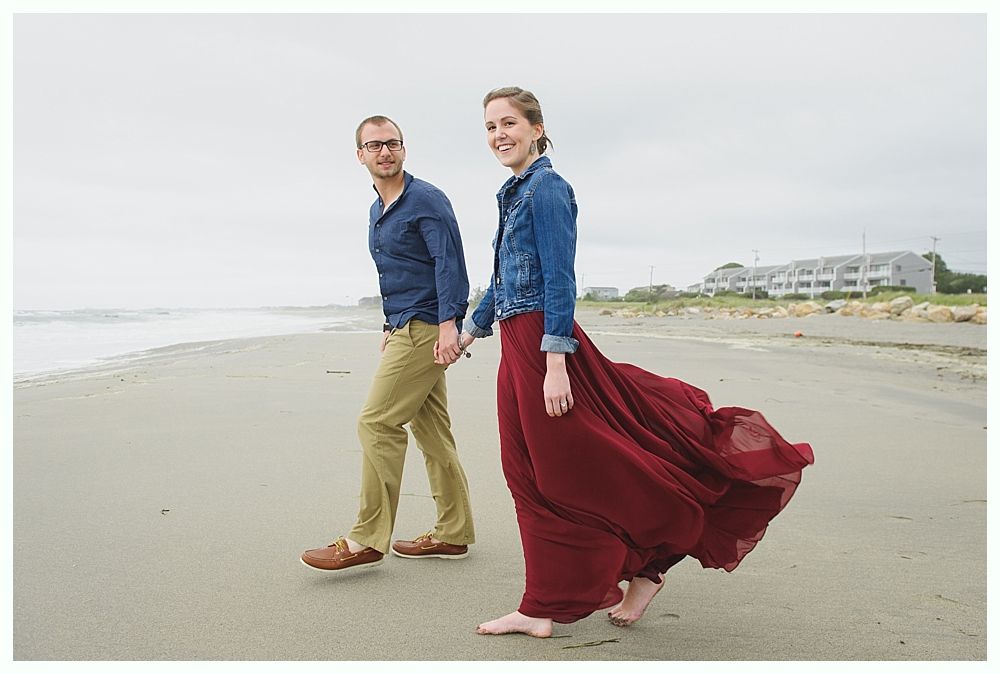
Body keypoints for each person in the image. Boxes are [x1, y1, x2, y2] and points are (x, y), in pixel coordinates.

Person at [460, 87, 815, 637]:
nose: (498, 135)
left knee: (573, 470)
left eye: (509, 123)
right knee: (524, 472)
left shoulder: (550, 189)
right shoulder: (513, 191)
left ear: (535, 128)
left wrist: (555, 361)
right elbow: (504, 278)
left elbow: (559, 279)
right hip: (514, 343)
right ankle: (594, 586)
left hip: (542, 346)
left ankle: (561, 599)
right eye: (489, 127)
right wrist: (469, 331)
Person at [301, 115, 476, 573]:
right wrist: (386, 323)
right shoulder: (377, 209)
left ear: (404, 150)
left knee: (376, 423)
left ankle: (366, 538)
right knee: (432, 431)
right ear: (360, 155)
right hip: (402, 323)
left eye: (393, 144)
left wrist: (448, 325)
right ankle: (453, 532)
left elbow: (449, 264)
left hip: (426, 326)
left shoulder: (426, 200)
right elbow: (393, 272)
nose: (385, 152)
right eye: (374, 145)